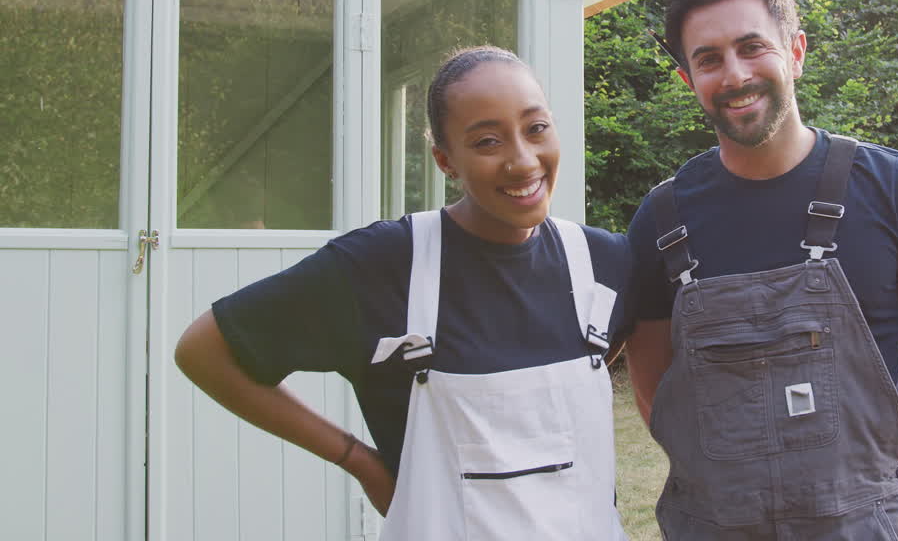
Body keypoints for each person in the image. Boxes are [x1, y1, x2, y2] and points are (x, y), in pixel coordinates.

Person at [175, 46, 631, 540]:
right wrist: (359, 460)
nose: (522, 161)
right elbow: (203, 351)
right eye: (486, 142)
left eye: (536, 128)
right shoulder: (382, 264)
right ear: (444, 160)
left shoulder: (604, 262)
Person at [624, 0, 898, 539]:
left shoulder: (895, 190)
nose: (735, 74)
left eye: (752, 47)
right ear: (687, 78)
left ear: (795, 51)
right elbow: (656, 395)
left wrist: (870, 490)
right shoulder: (659, 223)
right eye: (709, 59)